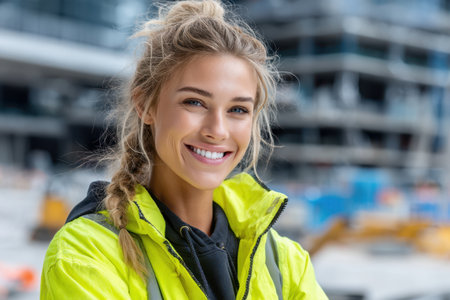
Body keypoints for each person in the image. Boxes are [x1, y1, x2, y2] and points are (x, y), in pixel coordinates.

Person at [40, 0, 328, 299]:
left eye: (238, 109)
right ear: (145, 105)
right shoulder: (85, 254)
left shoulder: (285, 263)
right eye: (195, 102)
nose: (217, 130)